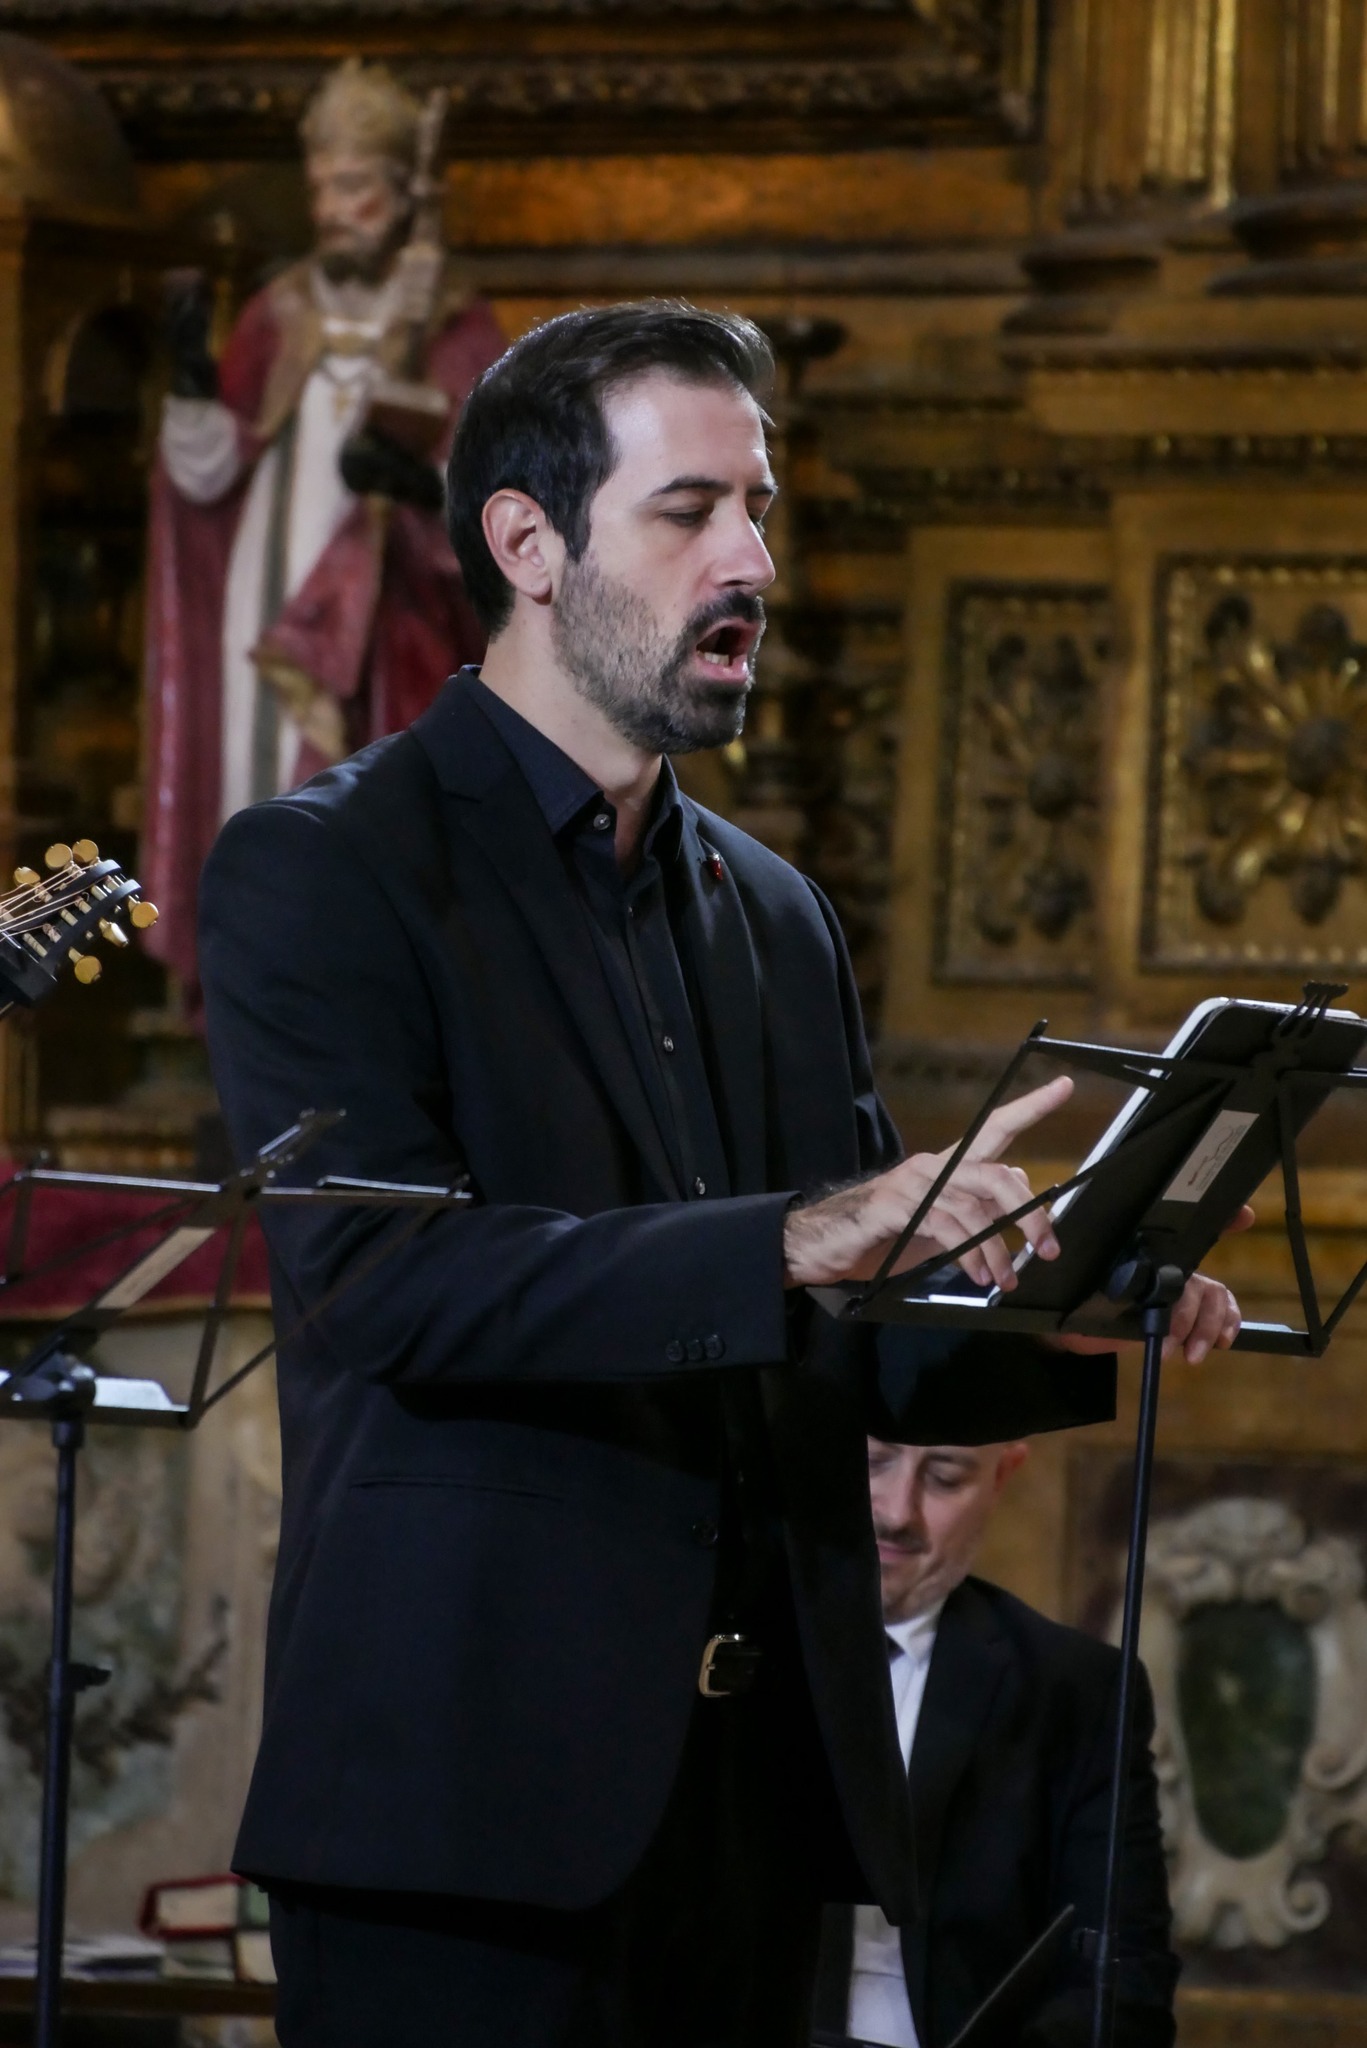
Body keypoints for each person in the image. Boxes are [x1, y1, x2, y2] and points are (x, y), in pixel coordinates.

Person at [197, 301, 1238, 2048]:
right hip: (462, 1819)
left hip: (754, 1815)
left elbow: (844, 1337)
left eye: (757, 508)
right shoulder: (324, 871)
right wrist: (805, 1235)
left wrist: (1061, 1302)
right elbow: (389, 1289)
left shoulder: (773, 913)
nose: (751, 558)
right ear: (526, 543)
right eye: (688, 511)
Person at [144, 57, 504, 1000]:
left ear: (403, 192)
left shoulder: (455, 322)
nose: (333, 211)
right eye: (320, 191)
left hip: (399, 606)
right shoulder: (280, 311)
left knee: (382, 802)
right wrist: (192, 386)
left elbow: (508, 497)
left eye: (353, 188)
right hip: (270, 589)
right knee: (262, 773)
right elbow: (207, 479)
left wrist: (420, 488)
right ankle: (262, 977)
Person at [813, 1427, 1177, 2048]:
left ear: (1003, 1476)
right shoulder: (712, 1657)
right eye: (873, 1463)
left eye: (944, 1477)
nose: (897, 1513)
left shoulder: (1076, 1692)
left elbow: (1123, 1982)